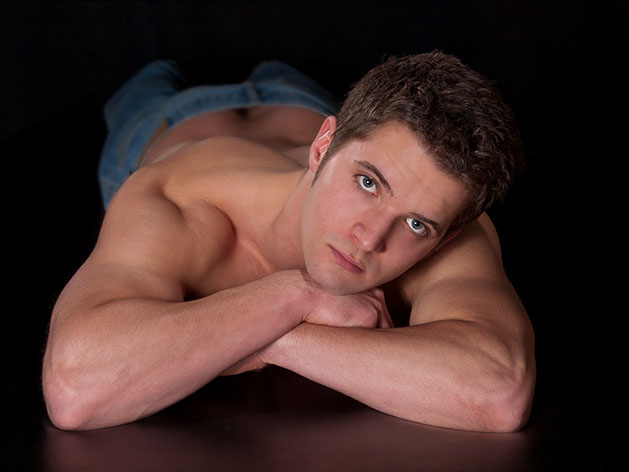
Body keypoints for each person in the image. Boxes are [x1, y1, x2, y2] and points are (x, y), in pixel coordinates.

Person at [42, 52, 536, 433]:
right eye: (367, 183)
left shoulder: (443, 214)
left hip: (298, 104)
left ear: (446, 234)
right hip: (170, 122)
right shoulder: (177, 199)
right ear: (323, 149)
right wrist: (294, 294)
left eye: (415, 225)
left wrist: (275, 340)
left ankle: (285, 81)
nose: (370, 238)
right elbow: (74, 386)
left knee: (290, 76)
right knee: (146, 79)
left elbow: (499, 391)